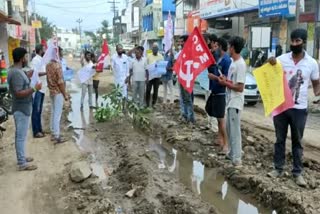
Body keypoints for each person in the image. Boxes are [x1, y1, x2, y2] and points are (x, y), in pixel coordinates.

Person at [267, 29, 320, 187]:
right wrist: (268, 62)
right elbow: (267, 74)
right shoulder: (281, 59)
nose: (294, 44)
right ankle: (278, 168)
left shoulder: (311, 63)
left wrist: (317, 93)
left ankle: (297, 173)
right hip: (281, 107)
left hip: (299, 109)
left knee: (297, 142)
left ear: (303, 42)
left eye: (298, 41)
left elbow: (316, 83)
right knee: (279, 139)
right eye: (292, 41)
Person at [8, 47, 42, 171]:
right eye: (26, 57)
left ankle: (22, 157)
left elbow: (20, 83)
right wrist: (34, 89)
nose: (27, 59)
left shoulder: (17, 70)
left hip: (23, 107)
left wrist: (27, 75)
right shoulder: (16, 72)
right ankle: (22, 163)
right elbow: (18, 92)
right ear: (22, 58)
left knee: (21, 135)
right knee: (20, 136)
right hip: (21, 109)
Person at [218, 36, 246, 167]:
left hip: (235, 102)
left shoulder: (240, 64)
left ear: (233, 48)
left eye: (230, 46)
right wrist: (225, 80)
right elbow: (232, 82)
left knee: (235, 130)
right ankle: (231, 153)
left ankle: (237, 158)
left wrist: (226, 84)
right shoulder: (233, 64)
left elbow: (240, 87)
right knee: (229, 128)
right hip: (229, 101)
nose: (228, 49)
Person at [208, 37, 232, 153]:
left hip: (221, 92)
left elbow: (225, 79)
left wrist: (215, 77)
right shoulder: (219, 59)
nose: (214, 48)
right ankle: (220, 139)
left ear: (221, 47)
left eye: (216, 46)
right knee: (218, 118)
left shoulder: (227, 61)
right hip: (215, 90)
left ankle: (226, 144)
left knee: (222, 120)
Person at [46, 43, 69, 144]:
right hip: (58, 92)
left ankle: (53, 131)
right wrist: (65, 95)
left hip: (51, 91)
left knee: (53, 111)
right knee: (57, 114)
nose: (62, 54)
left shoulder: (48, 65)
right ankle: (56, 135)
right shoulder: (57, 66)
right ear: (57, 53)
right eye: (61, 52)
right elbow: (60, 82)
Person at [175, 35, 195, 124]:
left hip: (188, 79)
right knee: (182, 98)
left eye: (182, 41)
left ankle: (191, 117)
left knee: (188, 98)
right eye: (179, 42)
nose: (180, 43)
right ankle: (184, 115)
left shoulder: (191, 52)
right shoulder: (180, 52)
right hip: (180, 77)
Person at [30, 44, 47, 138]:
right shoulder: (36, 60)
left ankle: (39, 129)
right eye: (43, 49)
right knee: (36, 110)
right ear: (40, 50)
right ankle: (36, 131)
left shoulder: (41, 59)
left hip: (42, 88)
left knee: (39, 110)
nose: (44, 50)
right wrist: (46, 72)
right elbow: (35, 73)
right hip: (37, 89)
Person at [146, 43, 164, 108]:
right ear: (152, 49)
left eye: (156, 47)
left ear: (158, 49)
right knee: (148, 90)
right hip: (150, 77)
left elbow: (162, 67)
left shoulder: (161, 56)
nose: (154, 49)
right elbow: (146, 67)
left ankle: (154, 103)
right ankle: (147, 104)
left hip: (157, 77)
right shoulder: (148, 56)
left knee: (155, 91)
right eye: (153, 47)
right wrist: (147, 77)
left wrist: (161, 76)